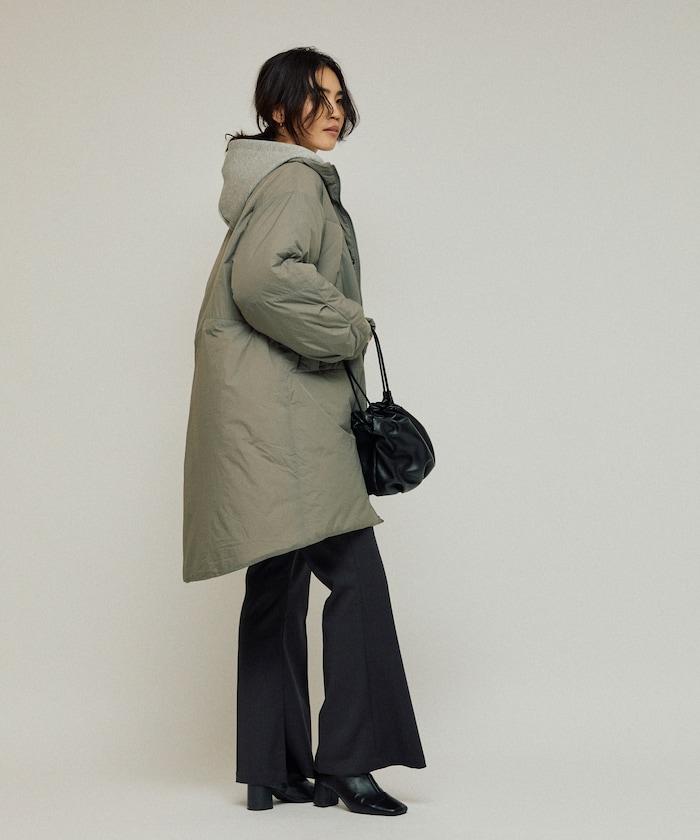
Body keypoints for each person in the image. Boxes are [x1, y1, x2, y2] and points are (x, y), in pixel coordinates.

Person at [182, 46, 426, 815]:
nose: (334, 110)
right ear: (278, 108)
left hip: (260, 419)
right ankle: (349, 763)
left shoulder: (266, 182)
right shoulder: (294, 181)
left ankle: (272, 766)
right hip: (289, 420)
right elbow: (264, 280)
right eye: (316, 97)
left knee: (277, 583)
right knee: (356, 578)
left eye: (340, 97)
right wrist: (349, 327)